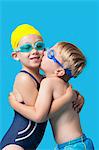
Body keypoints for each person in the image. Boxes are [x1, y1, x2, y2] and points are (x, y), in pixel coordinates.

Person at [0, 24, 84, 150]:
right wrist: (68, 98)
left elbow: (56, 96)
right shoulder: (24, 78)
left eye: (39, 46)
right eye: (26, 48)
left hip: (32, 144)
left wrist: (77, 96)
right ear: (16, 56)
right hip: (16, 144)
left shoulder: (46, 79)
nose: (34, 51)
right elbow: (40, 114)